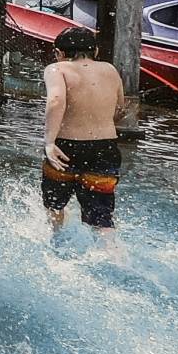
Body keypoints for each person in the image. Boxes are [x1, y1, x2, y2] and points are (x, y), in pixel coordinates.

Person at [42, 28, 126, 248]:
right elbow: (120, 110)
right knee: (101, 217)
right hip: (105, 148)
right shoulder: (110, 70)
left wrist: (50, 142)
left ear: (59, 52)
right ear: (95, 50)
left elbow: (56, 101)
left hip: (66, 148)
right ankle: (115, 257)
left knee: (55, 205)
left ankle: (55, 244)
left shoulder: (56, 69)